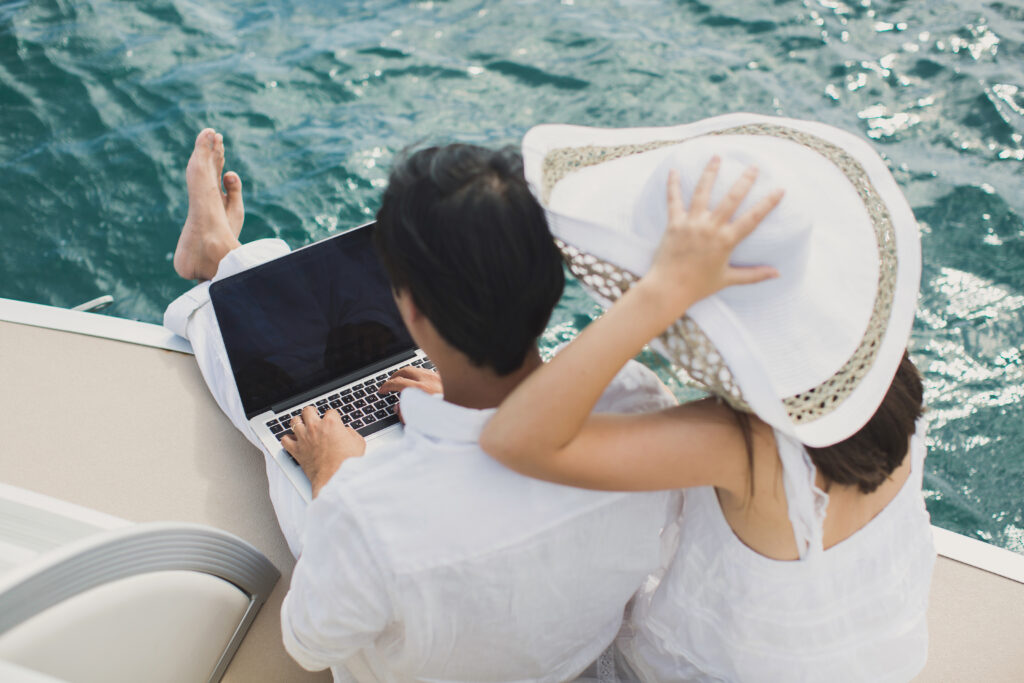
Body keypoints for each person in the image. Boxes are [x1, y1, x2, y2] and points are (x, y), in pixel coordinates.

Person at [165, 129, 681, 682]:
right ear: (551, 284)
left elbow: (310, 642)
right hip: (575, 662)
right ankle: (221, 253)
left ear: (410, 314)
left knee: (290, 419)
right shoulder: (638, 406)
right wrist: (476, 412)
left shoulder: (364, 510)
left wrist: (333, 477)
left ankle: (219, 262)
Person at [480, 114, 937, 682]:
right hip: (879, 659)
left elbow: (514, 439)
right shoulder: (882, 373)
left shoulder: (742, 445)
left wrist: (658, 294)